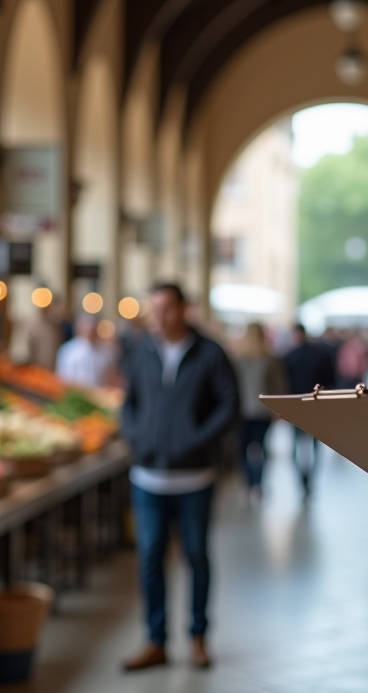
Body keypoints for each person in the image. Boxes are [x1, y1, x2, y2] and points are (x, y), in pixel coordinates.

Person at [121, 282, 239, 672]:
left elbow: (229, 405)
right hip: (147, 478)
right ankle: (155, 640)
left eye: (166, 309)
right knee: (149, 558)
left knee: (196, 557)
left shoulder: (210, 353)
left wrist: (196, 440)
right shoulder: (142, 351)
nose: (158, 317)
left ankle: (198, 637)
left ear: (184, 309)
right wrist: (136, 436)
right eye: (153, 309)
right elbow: (129, 402)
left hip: (194, 478)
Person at [232, 322, 287, 501]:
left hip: (242, 412)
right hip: (261, 411)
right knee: (259, 449)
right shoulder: (270, 359)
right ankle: (257, 484)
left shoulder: (238, 359)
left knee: (244, 450)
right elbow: (278, 387)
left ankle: (248, 484)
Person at [281, 323, 336, 498]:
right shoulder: (321, 354)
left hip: (296, 406)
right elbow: (331, 381)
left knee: (296, 445)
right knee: (315, 446)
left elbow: (284, 385)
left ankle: (301, 480)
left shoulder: (288, 356)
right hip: (316, 405)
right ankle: (310, 479)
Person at [55, 314, 112, 388]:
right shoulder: (68, 350)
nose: (89, 331)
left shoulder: (103, 351)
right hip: (75, 391)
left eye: (92, 328)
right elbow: (63, 377)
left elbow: (107, 376)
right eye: (86, 327)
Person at [26, 296, 65, 370]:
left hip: (54, 366)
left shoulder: (56, 324)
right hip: (38, 367)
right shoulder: (33, 324)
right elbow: (28, 347)